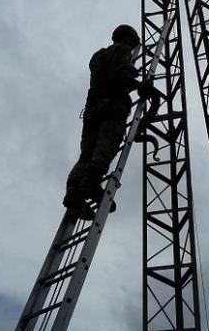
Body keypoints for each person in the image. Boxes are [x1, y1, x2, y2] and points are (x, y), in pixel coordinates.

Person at [63, 24, 158, 219]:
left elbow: (107, 76)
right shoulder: (122, 50)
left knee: (86, 154)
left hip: (92, 111)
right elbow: (120, 74)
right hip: (112, 108)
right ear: (129, 40)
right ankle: (90, 184)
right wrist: (140, 85)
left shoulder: (99, 56)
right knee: (105, 149)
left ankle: (74, 192)